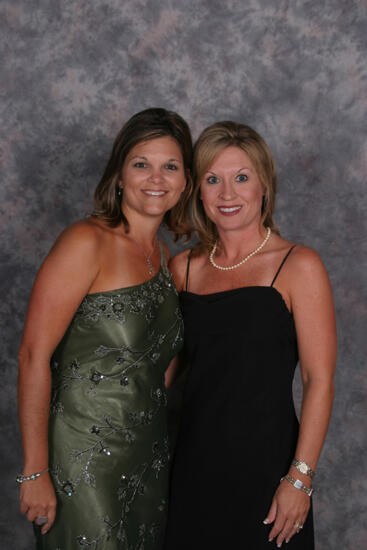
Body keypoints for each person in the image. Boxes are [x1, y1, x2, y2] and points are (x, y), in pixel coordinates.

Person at [17, 107, 193, 549]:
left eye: (170, 166)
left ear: (185, 180)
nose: (156, 178)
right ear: (118, 174)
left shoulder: (166, 257)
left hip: (149, 458)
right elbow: (33, 356)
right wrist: (36, 470)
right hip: (83, 462)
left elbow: (158, 365)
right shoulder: (86, 241)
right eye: (142, 164)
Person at [163, 121, 336, 549]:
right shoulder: (182, 269)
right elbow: (164, 377)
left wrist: (299, 480)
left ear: (263, 186)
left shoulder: (299, 265)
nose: (227, 194)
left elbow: (319, 381)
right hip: (190, 469)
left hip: (268, 474)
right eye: (212, 179)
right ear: (197, 190)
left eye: (241, 178)